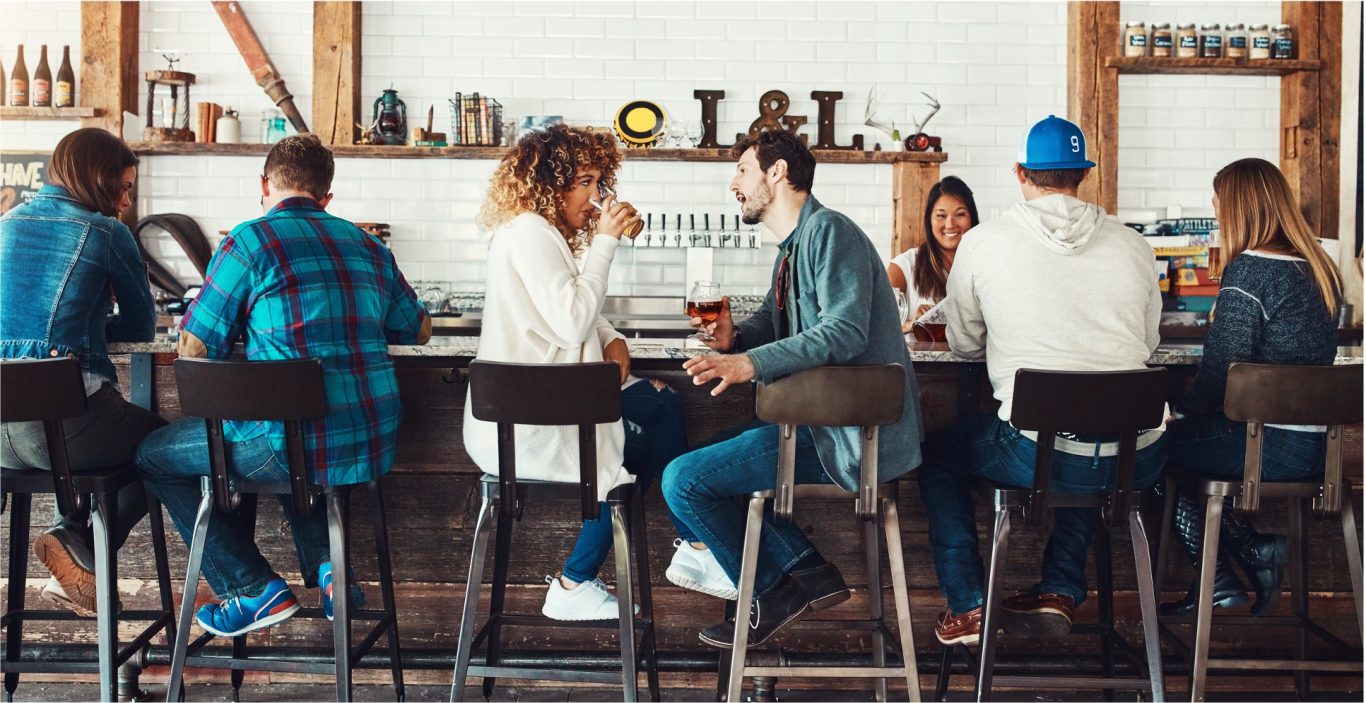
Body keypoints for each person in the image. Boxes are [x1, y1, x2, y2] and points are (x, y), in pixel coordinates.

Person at [134, 134, 431, 637]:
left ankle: (251, 587)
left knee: (155, 456)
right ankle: (330, 568)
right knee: (290, 447)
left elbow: (194, 346)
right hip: (368, 440)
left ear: (264, 184)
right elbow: (419, 330)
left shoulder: (249, 240)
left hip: (289, 445)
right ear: (327, 197)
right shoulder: (366, 245)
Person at [661, 130, 923, 648]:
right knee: (706, 460)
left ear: (776, 172)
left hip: (851, 438)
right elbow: (775, 322)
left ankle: (770, 592)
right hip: (820, 425)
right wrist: (736, 337)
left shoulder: (830, 232)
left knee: (683, 481)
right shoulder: (792, 248)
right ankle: (809, 571)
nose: (733, 182)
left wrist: (746, 363)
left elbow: (844, 332)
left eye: (742, 169)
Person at [919, 115, 1168, 646]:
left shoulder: (982, 243)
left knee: (938, 457)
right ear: (1083, 174)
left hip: (1036, 451)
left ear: (1019, 173)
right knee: (1091, 440)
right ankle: (1058, 588)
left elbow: (964, 344)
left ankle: (968, 605)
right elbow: (1146, 348)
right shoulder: (1133, 244)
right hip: (1139, 455)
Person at [464, 124, 699, 621]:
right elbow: (571, 321)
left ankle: (584, 577)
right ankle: (680, 550)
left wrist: (611, 334)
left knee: (653, 412)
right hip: (527, 430)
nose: (596, 198)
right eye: (586, 183)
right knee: (650, 424)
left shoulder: (536, 231)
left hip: (533, 412)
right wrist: (607, 242)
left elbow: (563, 302)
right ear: (550, 183)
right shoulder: (531, 231)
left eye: (598, 183)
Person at [1160, 158, 1342, 617]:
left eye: (1218, 203)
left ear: (1237, 209)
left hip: (1265, 444)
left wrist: (1177, 415)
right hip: (1321, 450)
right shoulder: (1320, 268)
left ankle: (1223, 577)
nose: (1216, 212)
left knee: (1147, 452)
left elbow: (1222, 370)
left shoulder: (1251, 271)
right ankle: (1252, 554)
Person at [0, 127, 161, 615]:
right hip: (65, 429)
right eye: (125, 186)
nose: (129, 200)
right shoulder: (106, 232)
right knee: (168, 451)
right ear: (99, 179)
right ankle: (73, 537)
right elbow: (140, 324)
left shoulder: (6, 223)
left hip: (0, 437)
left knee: (84, 452)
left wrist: (81, 319)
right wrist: (95, 324)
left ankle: (74, 556)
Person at [886, 176, 980, 331]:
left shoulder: (986, 264)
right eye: (941, 216)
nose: (950, 224)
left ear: (972, 219)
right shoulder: (903, 267)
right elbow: (879, 327)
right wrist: (912, 324)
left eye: (960, 214)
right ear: (929, 220)